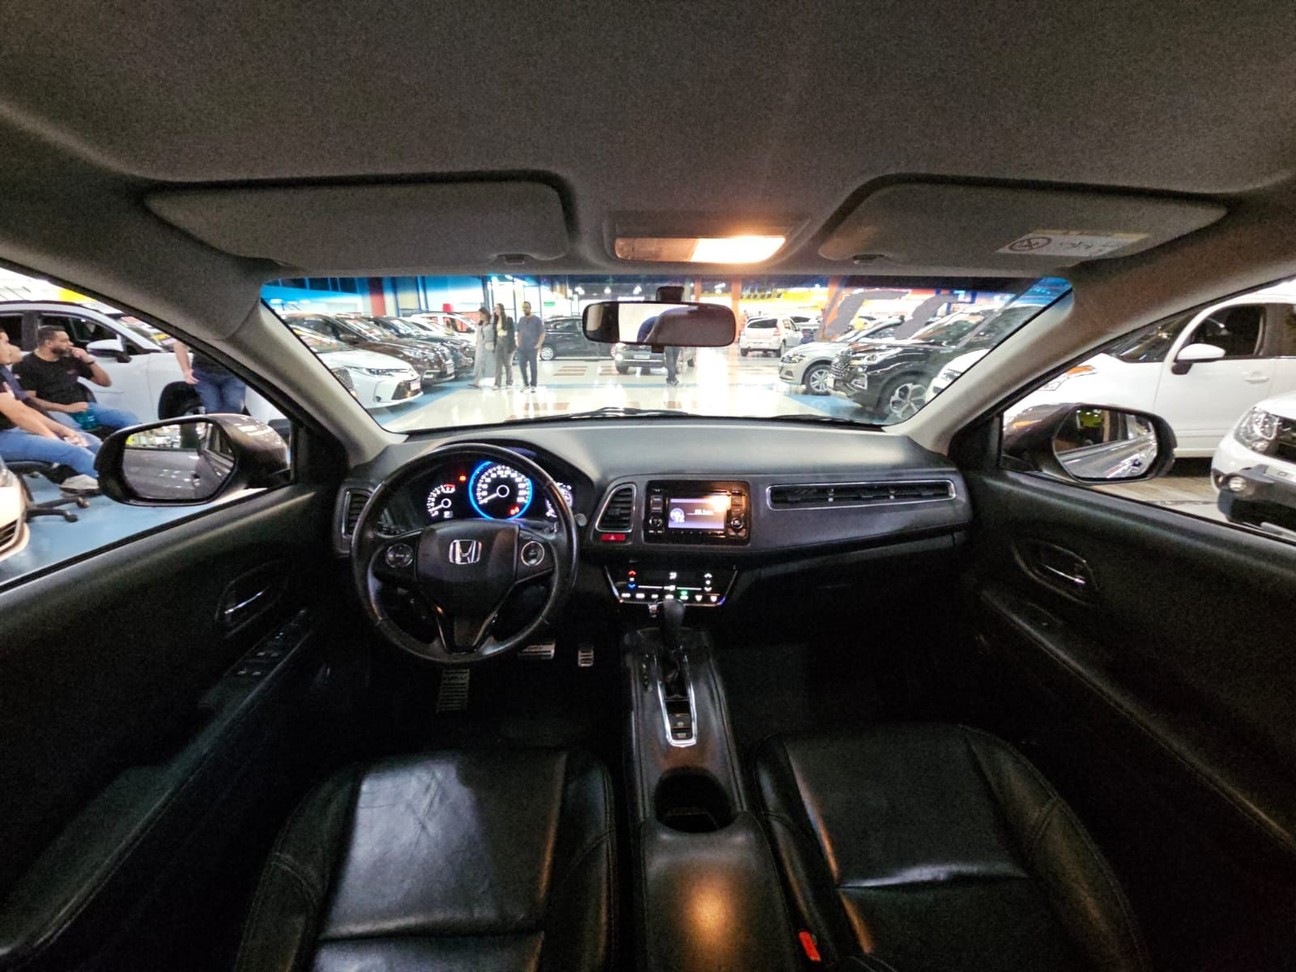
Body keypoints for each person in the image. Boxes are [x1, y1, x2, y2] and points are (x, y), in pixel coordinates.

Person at [0, 332, 101, 492]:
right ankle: (115, 486)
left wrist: (62, 430)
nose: (11, 348)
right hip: (3, 438)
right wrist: (52, 438)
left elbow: (26, 410)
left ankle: (82, 478)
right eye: (6, 343)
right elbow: (19, 415)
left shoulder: (2, 373)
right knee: (75, 452)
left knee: (89, 441)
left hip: (11, 431)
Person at [13, 325, 140, 432]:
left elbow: (105, 382)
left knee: (128, 418)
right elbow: (29, 399)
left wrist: (89, 360)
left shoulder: (70, 358)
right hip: (52, 411)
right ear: (49, 343)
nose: (70, 344)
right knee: (75, 431)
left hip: (82, 406)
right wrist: (65, 408)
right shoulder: (25, 364)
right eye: (64, 341)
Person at [174, 340, 247, 413]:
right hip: (203, 375)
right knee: (213, 409)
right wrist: (186, 370)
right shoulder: (200, 331)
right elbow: (179, 344)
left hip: (233, 374)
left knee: (234, 406)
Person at [515, 301, 545, 391]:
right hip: (522, 348)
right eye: (523, 308)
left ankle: (533, 385)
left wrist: (538, 344)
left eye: (526, 307)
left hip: (532, 347)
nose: (525, 309)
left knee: (533, 367)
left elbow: (542, 333)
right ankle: (525, 384)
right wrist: (518, 343)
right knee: (522, 366)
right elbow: (519, 332)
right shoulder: (521, 319)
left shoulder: (537, 320)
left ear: (530, 308)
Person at [472, 305, 496, 387]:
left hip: (489, 346)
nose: (480, 316)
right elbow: (478, 335)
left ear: (485, 314)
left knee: (489, 364)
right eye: (479, 315)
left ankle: (492, 381)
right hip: (480, 347)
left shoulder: (491, 323)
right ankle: (477, 381)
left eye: (481, 314)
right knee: (479, 364)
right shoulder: (480, 324)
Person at [492, 303, 515, 388]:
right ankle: (497, 384)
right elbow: (494, 333)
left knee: (508, 364)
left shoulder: (509, 319)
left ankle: (509, 382)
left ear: (501, 309)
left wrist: (511, 346)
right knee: (498, 364)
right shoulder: (495, 320)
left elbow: (512, 333)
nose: (496, 310)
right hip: (498, 341)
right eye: (495, 308)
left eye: (497, 308)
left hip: (507, 341)